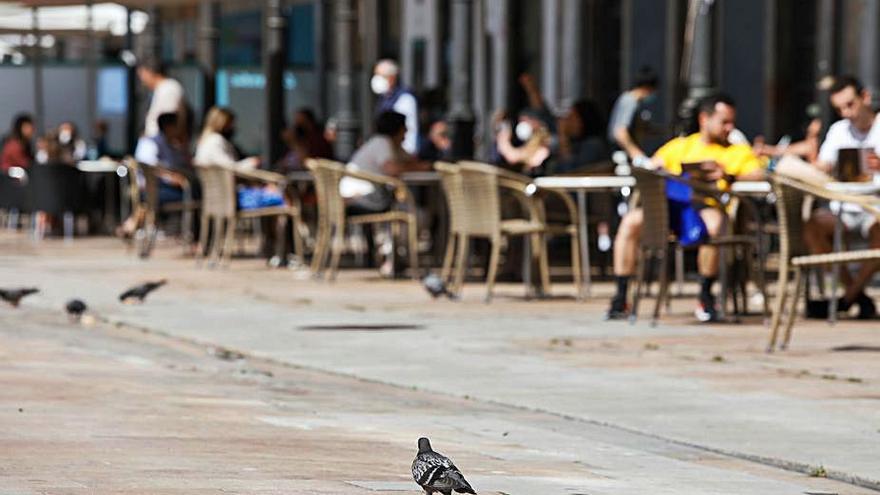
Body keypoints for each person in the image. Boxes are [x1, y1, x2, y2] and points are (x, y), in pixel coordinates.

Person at [606, 94, 766, 322]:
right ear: (704, 119)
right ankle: (621, 296)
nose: (729, 128)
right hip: (672, 209)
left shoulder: (736, 151)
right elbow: (652, 167)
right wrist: (665, 173)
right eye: (724, 122)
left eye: (732, 122)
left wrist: (728, 174)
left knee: (715, 225)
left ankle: (705, 295)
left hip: (709, 206)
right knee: (630, 221)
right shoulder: (681, 146)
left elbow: (759, 174)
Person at [802, 75, 880, 318]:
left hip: (875, 205)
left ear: (865, 97)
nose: (846, 113)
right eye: (839, 109)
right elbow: (823, 165)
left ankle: (847, 299)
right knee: (812, 226)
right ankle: (855, 294)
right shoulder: (838, 131)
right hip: (843, 207)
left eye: (850, 105)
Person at [608, 66, 659, 163]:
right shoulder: (630, 101)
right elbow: (620, 133)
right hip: (621, 156)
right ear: (647, 88)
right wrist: (636, 155)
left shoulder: (631, 101)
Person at [371, 59, 419, 154]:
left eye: (380, 75)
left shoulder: (405, 98)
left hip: (400, 152)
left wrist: (407, 154)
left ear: (392, 78)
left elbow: (410, 130)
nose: (376, 79)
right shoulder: (384, 98)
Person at [137, 57, 185, 138]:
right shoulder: (161, 89)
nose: (141, 80)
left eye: (142, 74)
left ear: (150, 72)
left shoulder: (169, 89)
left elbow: (168, 124)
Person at [277, 108, 334, 172]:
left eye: (300, 122)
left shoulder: (317, 139)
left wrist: (294, 142)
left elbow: (307, 162)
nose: (296, 125)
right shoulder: (302, 138)